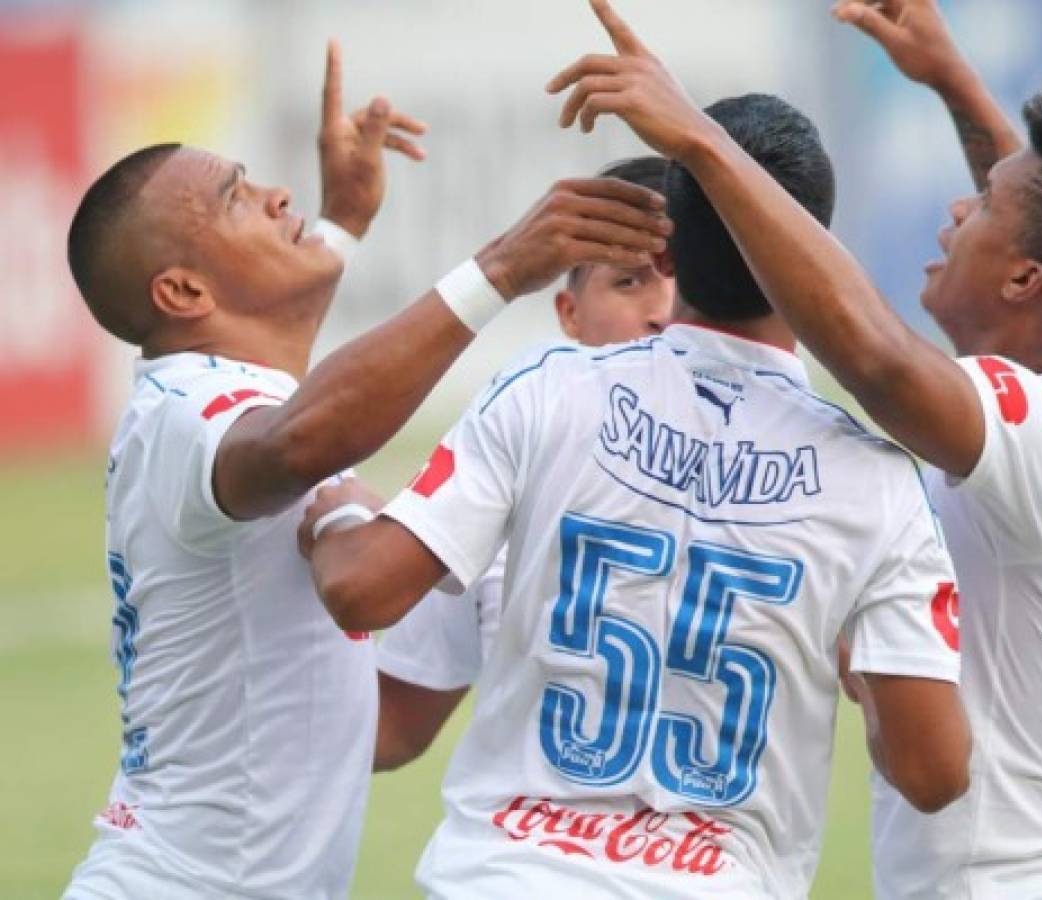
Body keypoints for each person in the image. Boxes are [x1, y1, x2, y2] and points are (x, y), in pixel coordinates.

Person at [299, 28, 971, 900]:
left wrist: (336, 512)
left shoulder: (543, 393)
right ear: (811, 253)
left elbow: (362, 593)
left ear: (670, 246)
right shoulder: (876, 479)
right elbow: (932, 773)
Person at [550, 0, 1042, 895]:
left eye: (982, 209)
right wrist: (950, 78)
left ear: (1022, 279)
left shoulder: (1036, 436)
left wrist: (706, 148)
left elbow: (876, 360)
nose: (959, 205)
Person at [61, 36, 671, 900]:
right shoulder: (187, 418)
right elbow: (299, 441)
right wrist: (498, 271)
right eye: (238, 198)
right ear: (183, 294)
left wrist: (340, 224)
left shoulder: (212, 386)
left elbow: (285, 381)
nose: (277, 194)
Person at [374, 155, 676, 771]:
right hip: (522, 859)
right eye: (629, 281)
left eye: (687, 284)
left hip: (703, 860)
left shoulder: (796, 470)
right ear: (569, 315)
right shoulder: (507, 456)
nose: (662, 311)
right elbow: (393, 729)